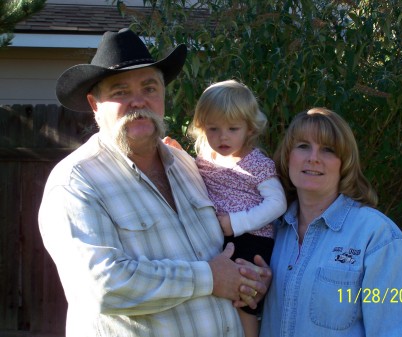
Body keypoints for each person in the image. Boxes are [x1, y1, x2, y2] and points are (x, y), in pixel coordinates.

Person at [38, 28, 271, 337]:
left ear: (163, 96)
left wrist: (249, 278)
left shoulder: (188, 167)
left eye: (150, 88)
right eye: (120, 91)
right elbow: (104, 286)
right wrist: (209, 278)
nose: (138, 101)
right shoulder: (76, 182)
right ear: (95, 105)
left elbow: (221, 256)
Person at [259, 108, 402, 337]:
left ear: (345, 163)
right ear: (288, 156)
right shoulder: (271, 230)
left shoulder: (378, 238)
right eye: (303, 146)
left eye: (328, 150)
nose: (313, 157)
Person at [188, 80, 287, 337]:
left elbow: (278, 204)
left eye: (233, 128)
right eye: (213, 128)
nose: (223, 137)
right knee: (217, 293)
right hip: (222, 237)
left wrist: (237, 222)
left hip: (252, 239)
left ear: (249, 128)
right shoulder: (206, 157)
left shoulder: (255, 163)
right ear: (201, 127)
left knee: (246, 297)